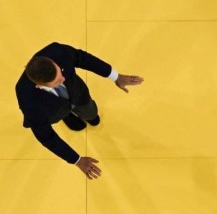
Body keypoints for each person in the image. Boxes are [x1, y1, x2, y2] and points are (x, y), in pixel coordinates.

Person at [15, 42, 144, 180]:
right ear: (40, 86)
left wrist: (116, 77)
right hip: (54, 110)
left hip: (78, 94)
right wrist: (77, 160)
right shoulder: (27, 99)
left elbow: (84, 59)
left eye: (61, 73)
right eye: (57, 82)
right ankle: (67, 115)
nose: (63, 79)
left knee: (92, 114)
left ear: (53, 62)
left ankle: (83, 113)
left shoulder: (57, 52)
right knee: (63, 112)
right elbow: (46, 137)